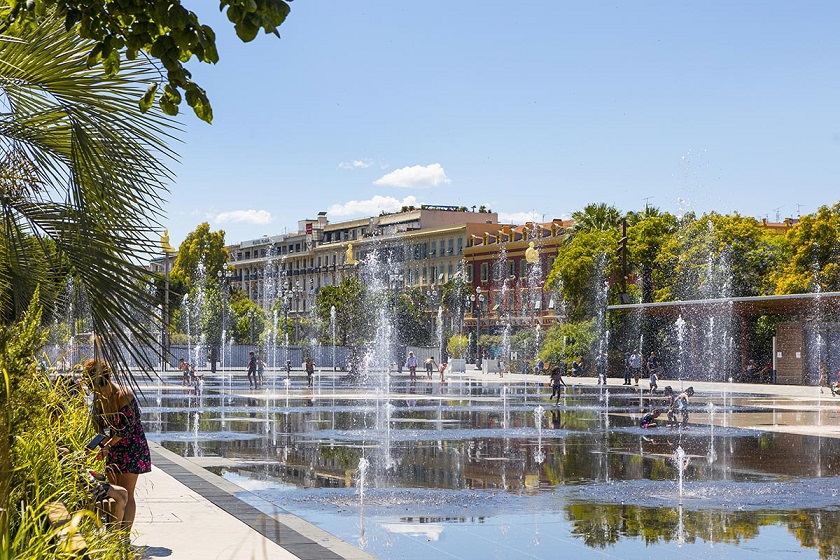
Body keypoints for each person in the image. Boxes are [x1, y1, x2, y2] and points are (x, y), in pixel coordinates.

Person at [84, 359, 151, 534]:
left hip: (132, 448)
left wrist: (107, 445)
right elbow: (99, 427)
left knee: (127, 493)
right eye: (95, 391)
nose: (99, 394)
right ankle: (114, 535)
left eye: (100, 389)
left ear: (107, 381)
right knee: (115, 493)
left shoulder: (124, 395)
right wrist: (98, 445)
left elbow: (126, 429)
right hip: (114, 448)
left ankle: (124, 536)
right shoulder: (99, 399)